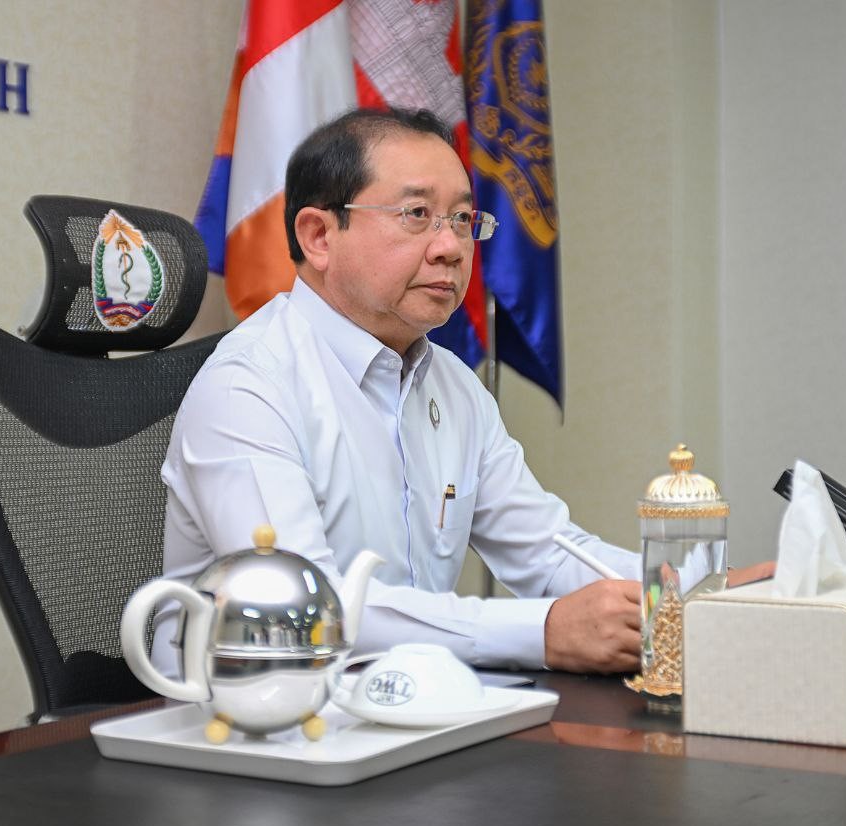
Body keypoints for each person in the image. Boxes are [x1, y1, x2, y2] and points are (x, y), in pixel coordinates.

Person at [157, 106, 643, 674]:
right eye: (417, 214)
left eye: (461, 219)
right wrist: (545, 631)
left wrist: (687, 593)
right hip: (250, 715)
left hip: (413, 704)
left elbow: (548, 552)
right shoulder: (247, 385)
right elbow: (303, 609)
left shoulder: (454, 386)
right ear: (319, 236)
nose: (451, 247)